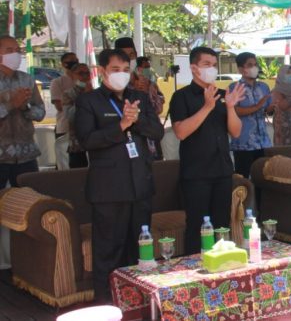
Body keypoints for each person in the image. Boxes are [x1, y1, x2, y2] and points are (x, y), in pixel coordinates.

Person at [74, 48, 164, 301]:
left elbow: (157, 132)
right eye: (115, 70)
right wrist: (122, 125)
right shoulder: (89, 101)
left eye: (126, 70)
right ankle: (107, 304)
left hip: (140, 185)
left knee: (140, 249)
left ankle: (137, 303)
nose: (121, 75)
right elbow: (87, 140)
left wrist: (136, 121)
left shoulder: (139, 97)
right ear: (102, 71)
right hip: (109, 190)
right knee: (108, 252)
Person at [169, 47, 245, 253]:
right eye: (206, 64)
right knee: (198, 226)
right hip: (196, 173)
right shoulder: (181, 97)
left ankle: (220, 264)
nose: (211, 69)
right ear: (194, 68)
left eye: (213, 65)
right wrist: (207, 107)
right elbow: (181, 132)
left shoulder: (223, 96)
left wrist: (230, 107)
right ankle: (195, 268)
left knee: (221, 225)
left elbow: (236, 132)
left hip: (222, 170)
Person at [0, 35, 45, 188]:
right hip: (1, 156)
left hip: (26, 155)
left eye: (17, 50)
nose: (15, 54)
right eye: (9, 50)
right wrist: (11, 104)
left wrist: (25, 108)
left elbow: (40, 113)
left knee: (30, 198)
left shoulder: (27, 80)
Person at [229, 52, 272, 178]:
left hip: (263, 142)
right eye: (250, 65)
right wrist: (257, 106)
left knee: (263, 178)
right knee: (243, 179)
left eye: (255, 64)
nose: (254, 67)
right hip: (244, 143)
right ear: (241, 69)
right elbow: (235, 111)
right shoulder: (235, 87)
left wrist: (272, 108)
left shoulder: (264, 87)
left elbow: (267, 110)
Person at [114, 38, 165, 115]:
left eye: (131, 55)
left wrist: (148, 92)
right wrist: (133, 92)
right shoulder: (112, 84)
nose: (128, 59)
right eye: (124, 56)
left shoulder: (148, 83)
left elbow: (159, 110)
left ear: (136, 55)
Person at [63, 63, 93, 168]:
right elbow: (70, 116)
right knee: (78, 174)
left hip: (95, 142)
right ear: (72, 76)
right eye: (80, 73)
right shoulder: (68, 94)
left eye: (87, 73)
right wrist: (84, 97)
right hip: (77, 144)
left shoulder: (97, 93)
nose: (85, 76)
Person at [50, 52, 78, 138]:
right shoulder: (57, 82)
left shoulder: (83, 81)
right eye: (72, 60)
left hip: (83, 127)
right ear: (63, 64)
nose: (75, 62)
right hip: (65, 127)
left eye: (76, 60)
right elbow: (59, 106)